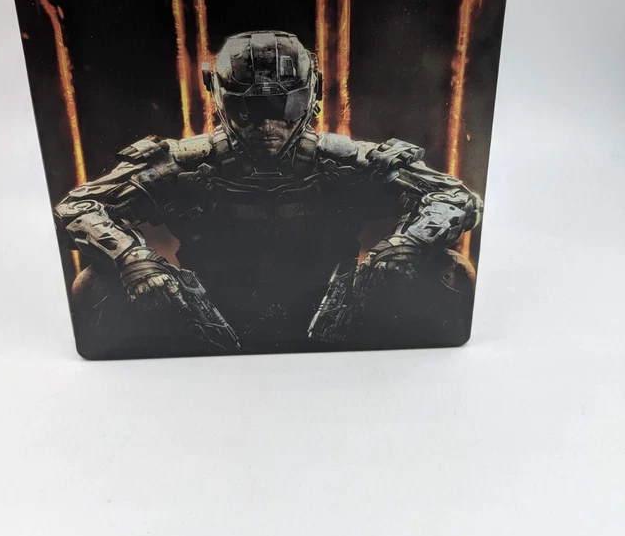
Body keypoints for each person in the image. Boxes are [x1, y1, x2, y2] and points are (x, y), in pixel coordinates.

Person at [55, 30, 482, 356]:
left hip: (336, 313)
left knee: (450, 271)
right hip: (204, 315)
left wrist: (407, 245)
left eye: (284, 106)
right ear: (219, 96)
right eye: (249, 109)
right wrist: (132, 259)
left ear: (310, 96)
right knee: (94, 284)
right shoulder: (182, 162)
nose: (267, 125)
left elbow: (455, 197)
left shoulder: (346, 160)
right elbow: (78, 206)